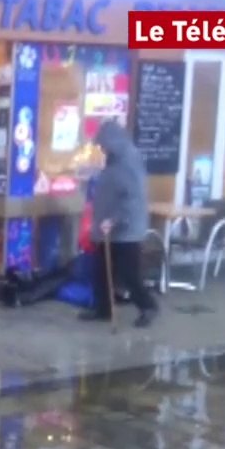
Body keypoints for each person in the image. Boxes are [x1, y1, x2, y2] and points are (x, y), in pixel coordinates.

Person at [81, 120, 159, 328]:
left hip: (126, 230)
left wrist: (113, 219)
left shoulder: (128, 161)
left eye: (103, 144)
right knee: (102, 270)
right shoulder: (115, 158)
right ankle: (104, 308)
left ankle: (148, 306)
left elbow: (131, 198)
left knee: (128, 272)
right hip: (109, 228)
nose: (102, 149)